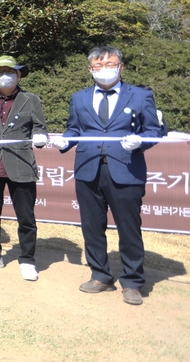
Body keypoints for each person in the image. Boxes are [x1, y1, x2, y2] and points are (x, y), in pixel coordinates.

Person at [52, 46, 164, 306]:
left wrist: (140, 141)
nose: (104, 70)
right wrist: (64, 142)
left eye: (110, 65)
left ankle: (133, 282)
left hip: (126, 170)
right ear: (90, 69)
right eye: (98, 66)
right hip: (88, 170)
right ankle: (100, 275)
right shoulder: (79, 98)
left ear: (121, 67)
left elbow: (153, 131)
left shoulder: (140, 95)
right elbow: (74, 129)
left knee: (129, 229)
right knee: (92, 227)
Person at [0, 55, 48, 281]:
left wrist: (40, 136)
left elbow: (39, 126)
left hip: (21, 164)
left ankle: (27, 259)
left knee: (26, 217)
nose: (4, 76)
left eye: (9, 71)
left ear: (19, 74)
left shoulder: (30, 99)